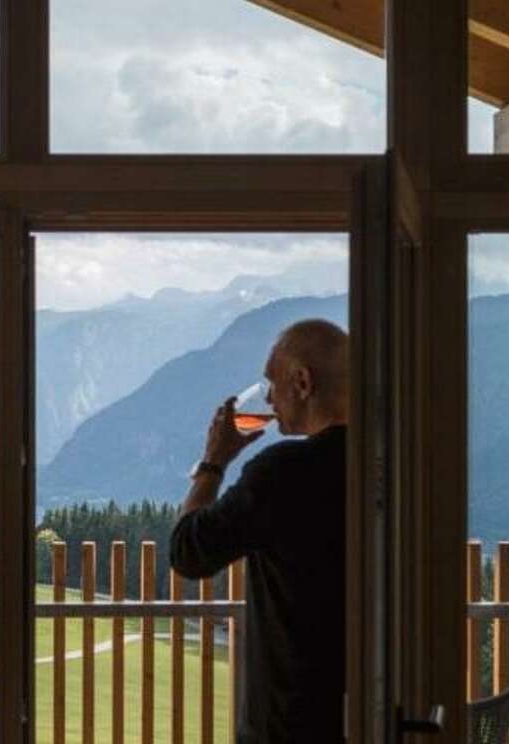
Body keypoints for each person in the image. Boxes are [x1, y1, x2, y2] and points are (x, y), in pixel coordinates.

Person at [169, 318, 348, 743]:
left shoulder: (283, 473)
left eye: (272, 382)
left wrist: (214, 462)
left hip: (289, 723)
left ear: (302, 382)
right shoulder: (395, 461)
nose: (267, 397)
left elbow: (188, 552)